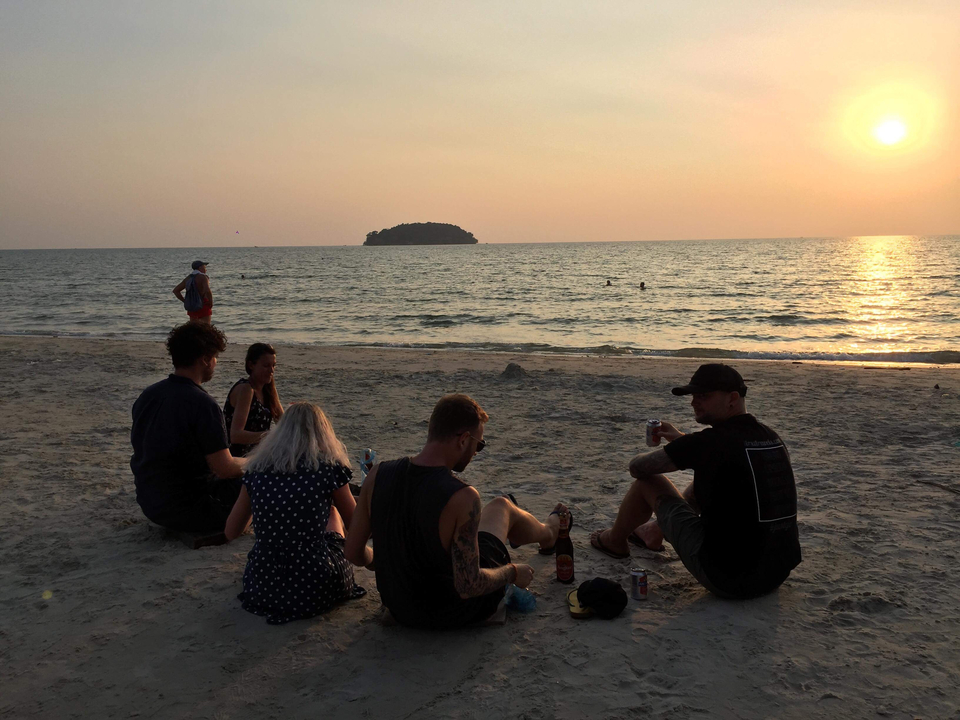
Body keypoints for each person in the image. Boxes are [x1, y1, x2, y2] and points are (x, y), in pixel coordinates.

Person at [344, 393, 567, 629]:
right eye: (478, 445)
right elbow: (468, 585)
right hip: (451, 613)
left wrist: (378, 560)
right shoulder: (463, 496)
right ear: (463, 439)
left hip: (400, 609)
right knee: (502, 507)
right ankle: (550, 533)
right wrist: (512, 572)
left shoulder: (377, 475)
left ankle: (546, 533)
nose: (475, 453)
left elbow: (353, 552)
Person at [590, 364, 801, 599]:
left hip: (728, 579)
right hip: (775, 573)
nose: (693, 403)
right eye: (693, 396)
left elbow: (637, 468)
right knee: (714, 479)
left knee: (648, 483)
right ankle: (652, 531)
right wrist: (685, 444)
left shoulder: (710, 443)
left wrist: (682, 447)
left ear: (732, 398)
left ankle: (614, 541)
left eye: (703, 396)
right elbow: (721, 455)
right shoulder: (770, 437)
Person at [224, 402, 366, 624]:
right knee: (332, 513)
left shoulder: (256, 470)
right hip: (314, 586)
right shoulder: (328, 469)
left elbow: (231, 531)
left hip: (262, 585)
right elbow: (357, 526)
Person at [130, 323, 245, 532]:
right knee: (258, 479)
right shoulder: (203, 404)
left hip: (151, 503)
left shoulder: (148, 395)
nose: (216, 362)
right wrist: (256, 462)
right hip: (188, 509)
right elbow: (224, 468)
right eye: (215, 357)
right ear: (204, 359)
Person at [223, 343, 284, 457]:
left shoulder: (268, 389)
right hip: (237, 457)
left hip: (258, 455)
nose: (271, 370)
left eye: (273, 365)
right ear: (251, 365)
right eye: (266, 366)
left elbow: (283, 422)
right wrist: (271, 436)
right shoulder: (246, 389)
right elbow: (235, 435)